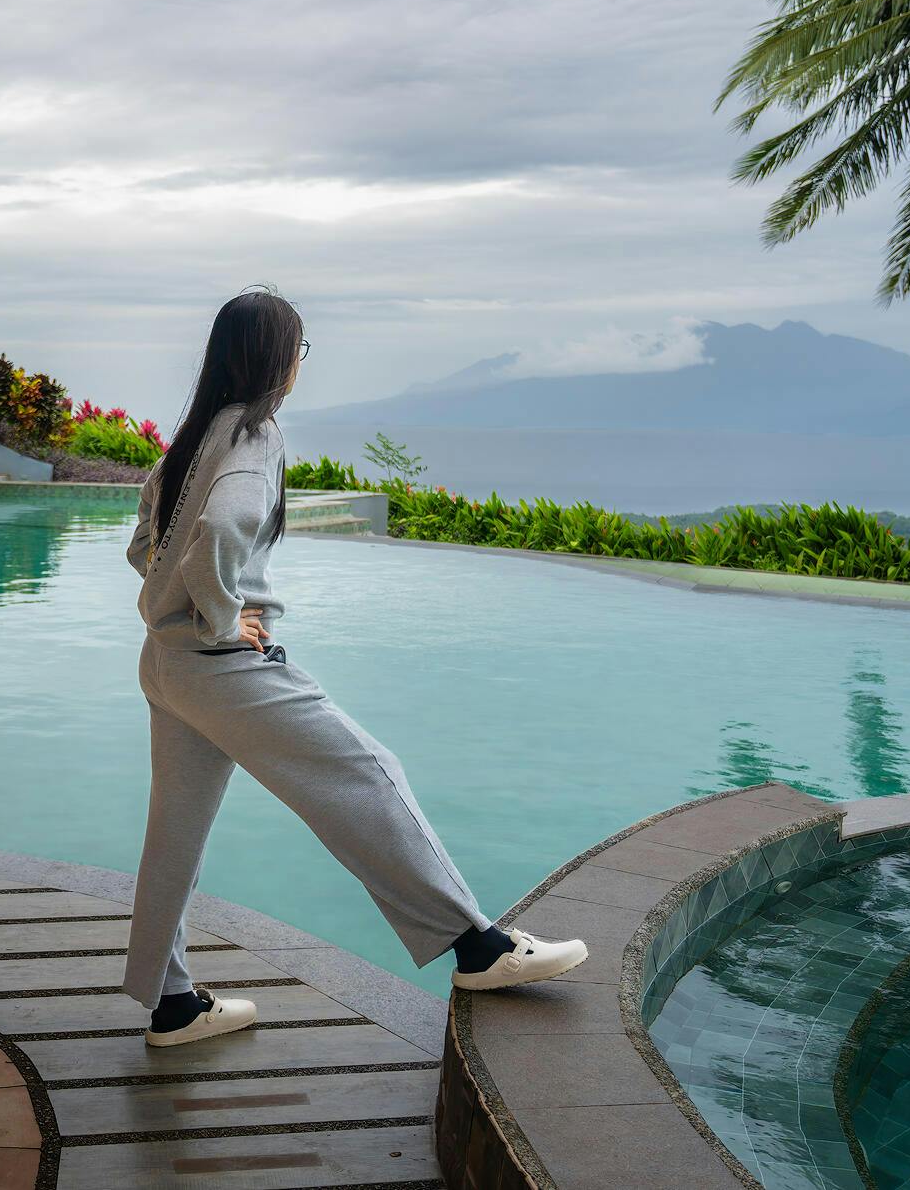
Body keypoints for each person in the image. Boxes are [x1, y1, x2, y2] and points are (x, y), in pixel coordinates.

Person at [123, 289, 586, 1047]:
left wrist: (174, 598)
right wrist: (224, 616)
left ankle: (172, 1006)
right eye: (299, 350)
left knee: (174, 836)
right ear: (278, 359)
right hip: (221, 667)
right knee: (367, 773)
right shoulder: (256, 434)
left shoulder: (196, 435)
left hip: (167, 664)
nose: (299, 365)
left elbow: (146, 539)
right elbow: (225, 525)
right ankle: (478, 947)